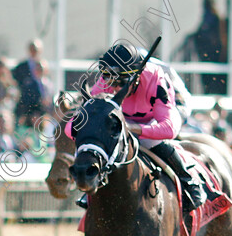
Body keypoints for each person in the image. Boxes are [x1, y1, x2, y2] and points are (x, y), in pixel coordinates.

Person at [86, 43, 205, 212]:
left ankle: (189, 182)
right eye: (111, 81)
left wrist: (135, 128)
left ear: (136, 74)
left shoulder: (157, 77)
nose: (115, 88)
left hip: (172, 105)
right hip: (131, 112)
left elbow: (169, 129)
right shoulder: (108, 78)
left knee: (149, 140)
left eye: (121, 82)